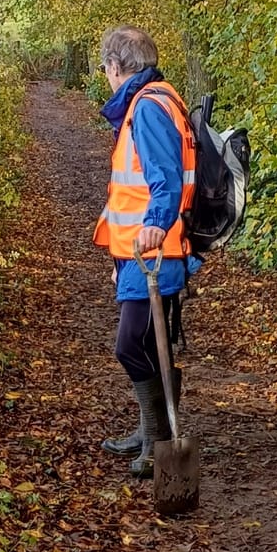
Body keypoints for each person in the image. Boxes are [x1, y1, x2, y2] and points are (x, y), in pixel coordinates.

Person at [93, 26, 195, 480]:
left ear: (116, 67)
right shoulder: (159, 98)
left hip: (155, 250)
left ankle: (158, 439)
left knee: (131, 344)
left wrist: (155, 225)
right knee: (151, 343)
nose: (106, 77)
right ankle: (149, 431)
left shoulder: (149, 107)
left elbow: (164, 178)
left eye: (105, 69)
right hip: (144, 251)